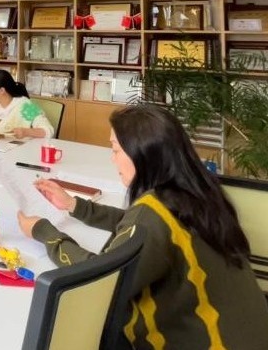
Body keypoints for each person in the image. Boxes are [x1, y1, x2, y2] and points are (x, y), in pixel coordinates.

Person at [17, 105, 268, 349]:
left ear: (141, 155)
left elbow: (98, 282)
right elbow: (144, 227)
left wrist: (43, 231)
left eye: (115, 150)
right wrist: (74, 205)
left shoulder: (152, 214)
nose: (112, 159)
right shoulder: (196, 191)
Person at [0, 69, 54, 138]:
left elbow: (48, 130)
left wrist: (26, 132)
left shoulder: (25, 106)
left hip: (15, 152)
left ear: (2, 90)